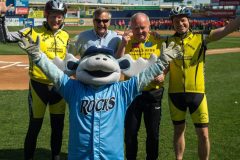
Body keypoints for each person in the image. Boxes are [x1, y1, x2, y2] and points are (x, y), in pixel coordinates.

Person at [18, 35, 181, 159]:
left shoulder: (122, 90)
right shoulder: (72, 88)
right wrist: (37, 56)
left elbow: (144, 76)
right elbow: (54, 74)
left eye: (105, 58)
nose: (100, 61)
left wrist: (162, 62)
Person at [167, 6, 240, 160]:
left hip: (197, 95)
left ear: (188, 21)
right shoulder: (168, 41)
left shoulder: (201, 37)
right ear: (172, 23)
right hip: (175, 94)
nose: (180, 23)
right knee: (178, 130)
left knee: (204, 134)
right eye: (176, 21)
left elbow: (226, 29)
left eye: (183, 20)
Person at [0, 0, 69, 159]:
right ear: (46, 15)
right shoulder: (32, 31)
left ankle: (56, 157)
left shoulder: (65, 36)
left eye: (59, 16)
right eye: (53, 15)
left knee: (58, 127)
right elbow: (7, 38)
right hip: (38, 87)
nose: (56, 20)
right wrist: (2, 17)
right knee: (35, 126)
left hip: (60, 87)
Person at [116, 12, 165, 160]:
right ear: (131, 27)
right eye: (136, 28)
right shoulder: (126, 41)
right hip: (131, 94)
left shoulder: (158, 40)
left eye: (143, 27)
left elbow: (166, 61)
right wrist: (123, 43)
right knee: (130, 134)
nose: (140, 31)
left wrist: (164, 74)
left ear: (149, 26)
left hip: (153, 94)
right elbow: (116, 63)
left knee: (153, 134)